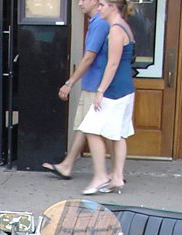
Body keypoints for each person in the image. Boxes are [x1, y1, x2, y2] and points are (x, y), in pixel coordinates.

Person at [41, 0, 109, 181]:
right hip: (92, 84)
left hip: (96, 85)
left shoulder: (99, 24)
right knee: (83, 126)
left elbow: (89, 57)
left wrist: (70, 83)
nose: (79, 4)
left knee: (100, 130)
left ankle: (109, 174)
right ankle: (68, 165)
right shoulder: (97, 23)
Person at [77, 0, 136, 195]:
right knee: (118, 134)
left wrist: (100, 91)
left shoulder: (116, 30)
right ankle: (117, 176)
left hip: (115, 89)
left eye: (102, 4)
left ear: (112, 6)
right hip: (126, 88)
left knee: (90, 128)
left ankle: (101, 175)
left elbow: (112, 64)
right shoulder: (123, 27)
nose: (99, 8)